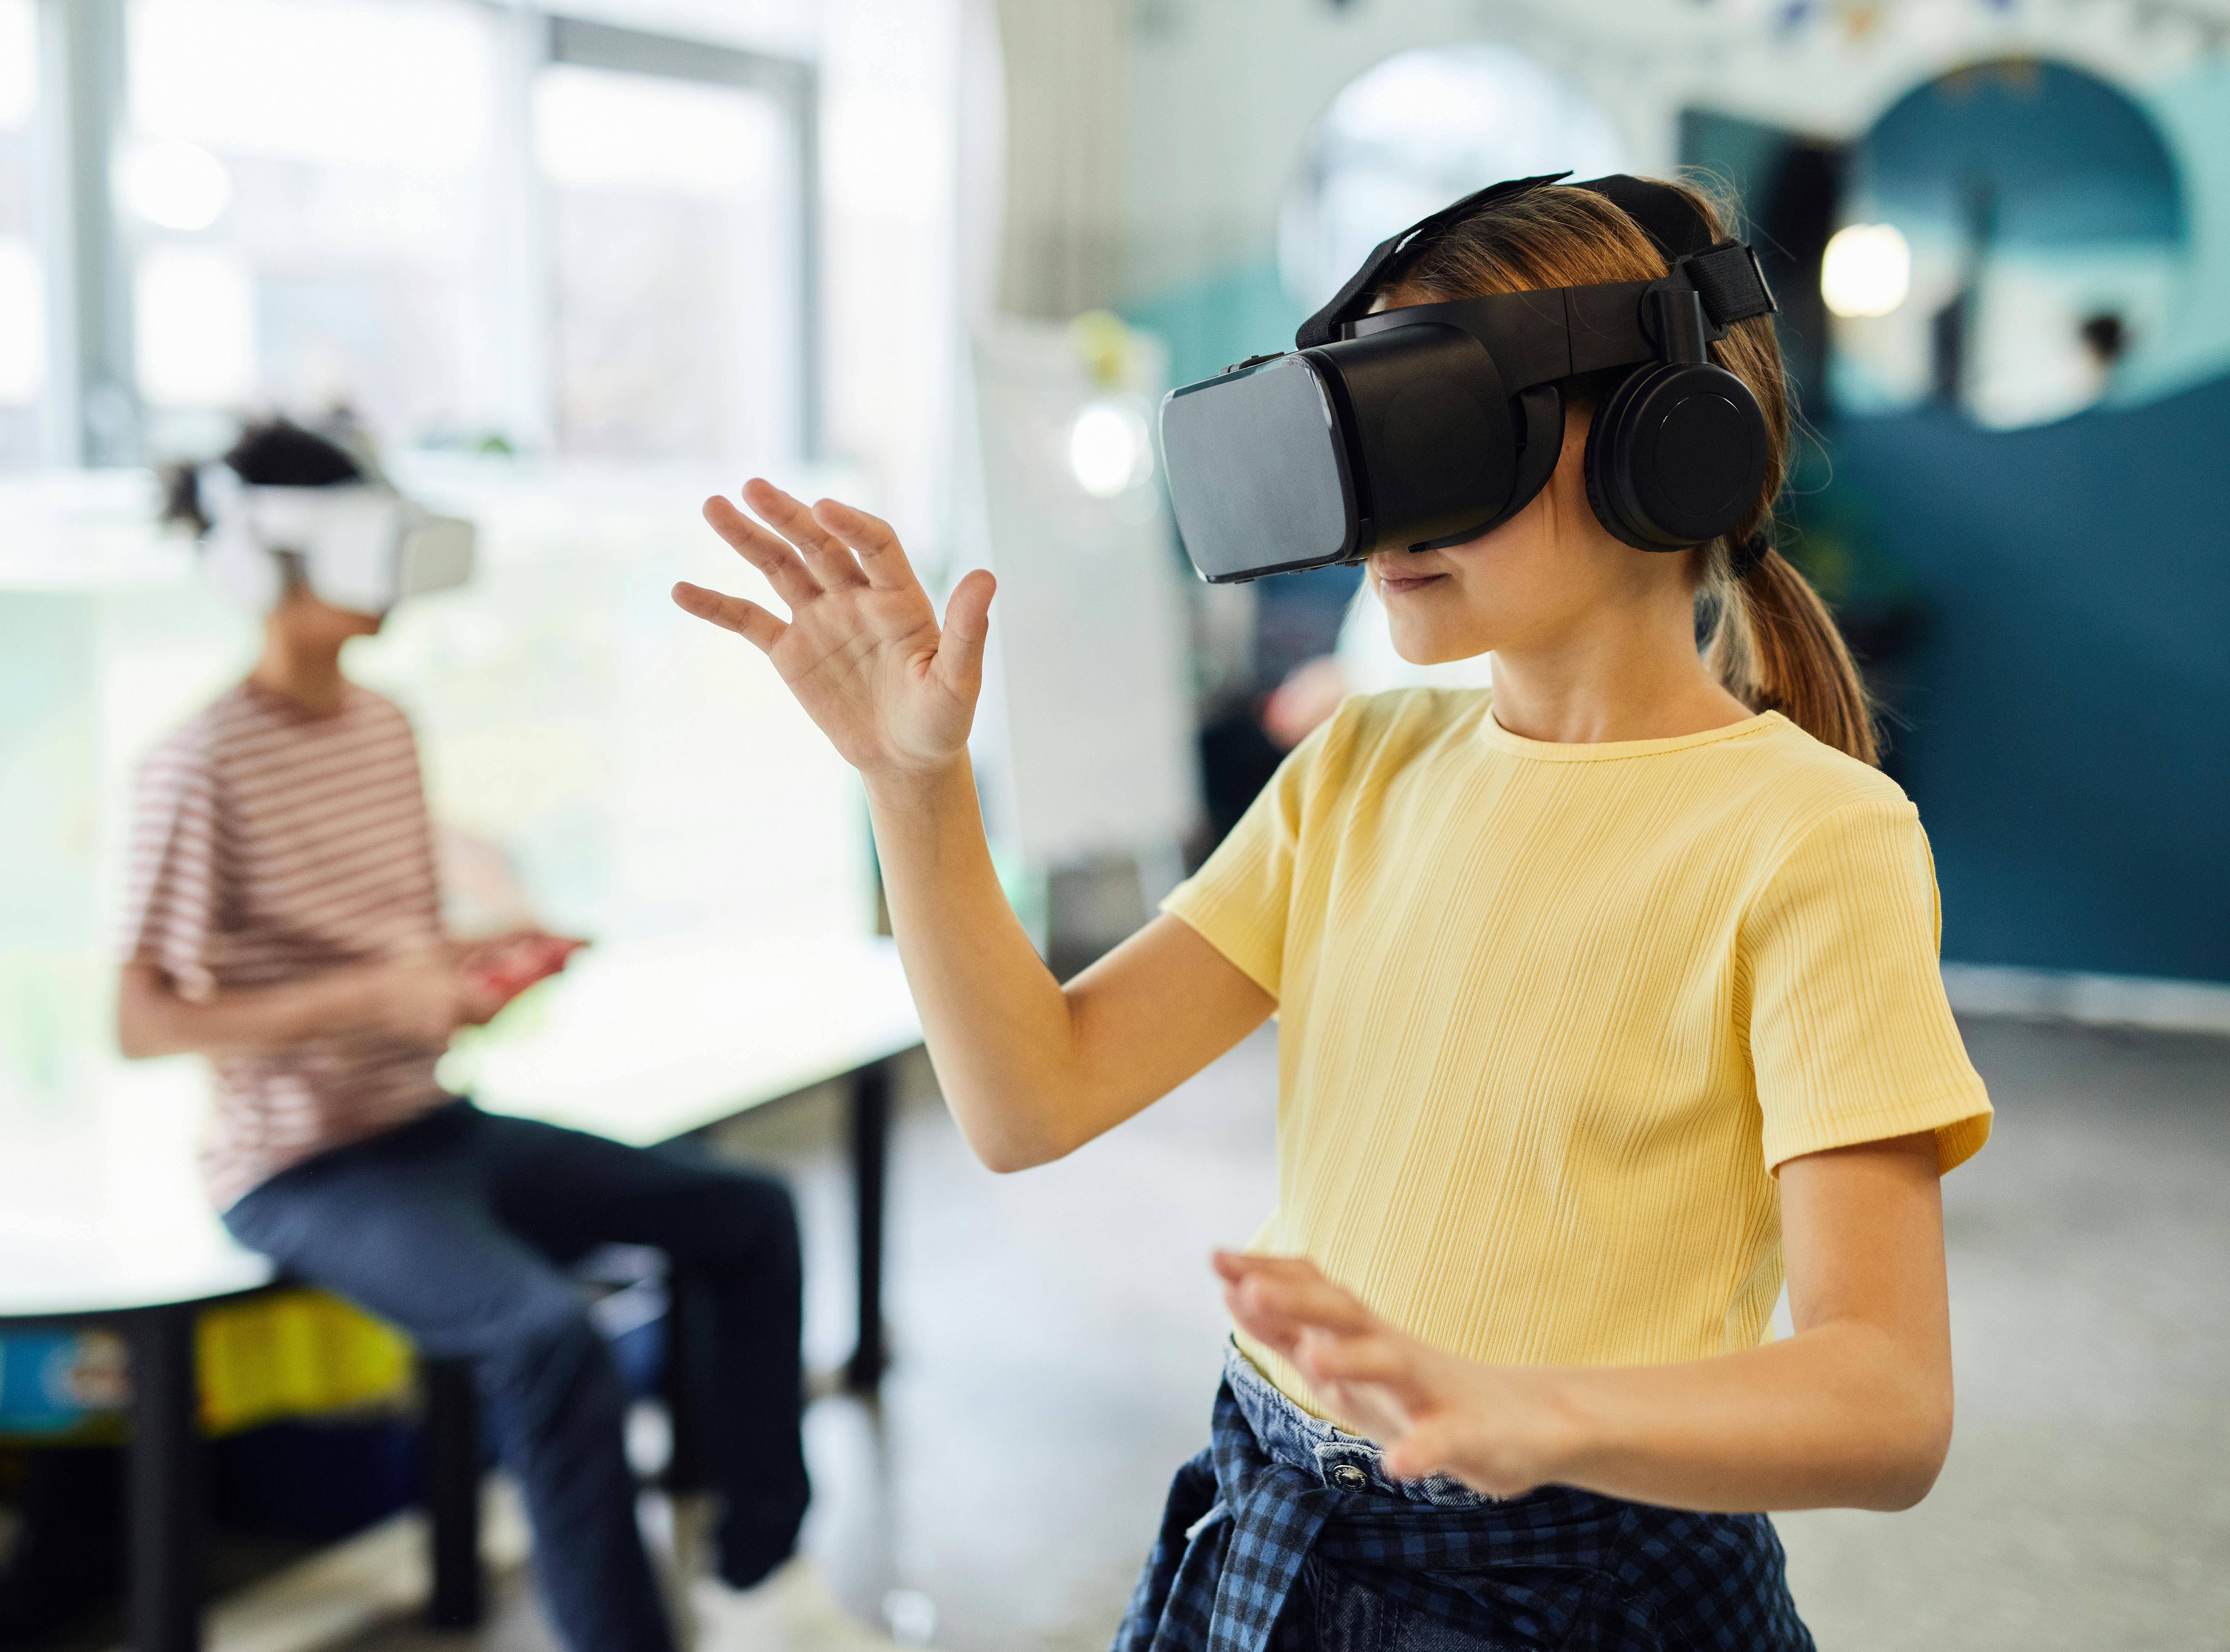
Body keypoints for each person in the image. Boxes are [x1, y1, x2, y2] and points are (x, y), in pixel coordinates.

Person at [675, 176, 1992, 1649]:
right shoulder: (1364, 764)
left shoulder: (1811, 836)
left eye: (1441, 431)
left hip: (1576, 1580)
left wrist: (1528, 1409)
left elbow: (1885, 1400)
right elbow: (1028, 1099)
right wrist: (909, 787)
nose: (1383, 515)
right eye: (1361, 443)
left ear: (1660, 443)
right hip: (1268, 1515)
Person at [119, 418, 895, 1652]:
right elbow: (143, 1016)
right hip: (298, 1169)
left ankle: (757, 1578)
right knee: (548, 1337)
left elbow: (401, 939)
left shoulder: (384, 725)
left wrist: (487, 961)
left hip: (433, 1123)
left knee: (749, 1214)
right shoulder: (195, 762)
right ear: (265, 564)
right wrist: (375, 997)